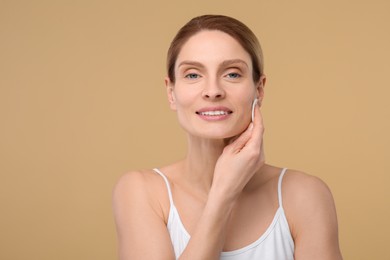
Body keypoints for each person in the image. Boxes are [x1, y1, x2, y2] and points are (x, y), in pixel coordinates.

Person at [113, 14, 343, 260]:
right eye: (193, 75)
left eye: (232, 74)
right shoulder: (142, 192)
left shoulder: (304, 195)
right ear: (171, 92)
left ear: (260, 88)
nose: (213, 91)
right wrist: (223, 194)